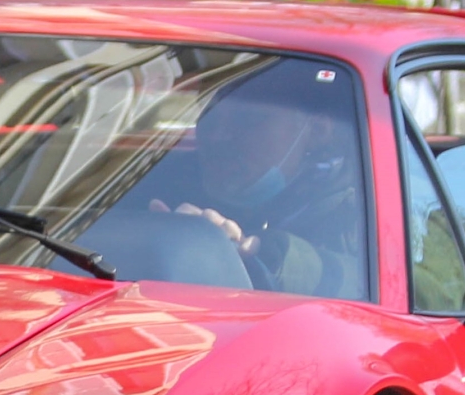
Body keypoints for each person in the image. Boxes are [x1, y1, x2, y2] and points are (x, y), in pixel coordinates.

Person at [145, 66, 371, 298]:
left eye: (248, 119)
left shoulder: (367, 208)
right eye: (209, 115)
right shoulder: (151, 176)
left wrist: (264, 253)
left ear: (316, 131)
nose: (217, 135)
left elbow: (360, 288)